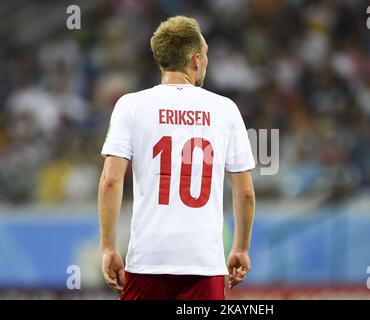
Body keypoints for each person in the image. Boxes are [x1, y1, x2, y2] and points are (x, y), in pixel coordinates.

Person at [98, 16, 256, 300]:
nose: (206, 61)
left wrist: (109, 248)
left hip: (148, 259)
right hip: (204, 262)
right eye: (206, 54)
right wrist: (240, 249)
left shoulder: (130, 105)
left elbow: (111, 180)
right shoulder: (225, 109)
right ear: (195, 59)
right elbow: (244, 192)